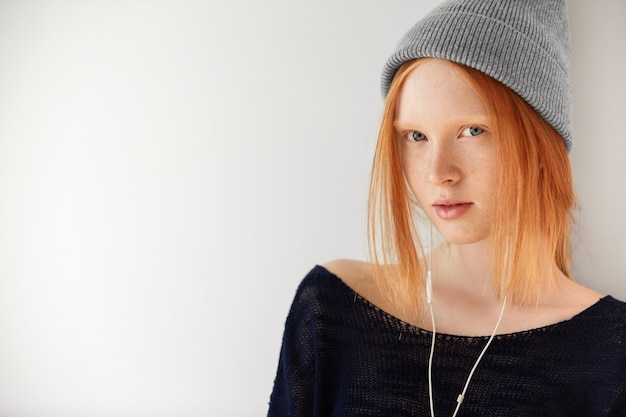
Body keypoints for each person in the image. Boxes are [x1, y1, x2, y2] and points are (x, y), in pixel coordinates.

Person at [267, 0, 626, 415]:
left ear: (540, 139)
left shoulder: (611, 356)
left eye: (473, 131)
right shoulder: (333, 310)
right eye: (415, 136)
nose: (439, 172)